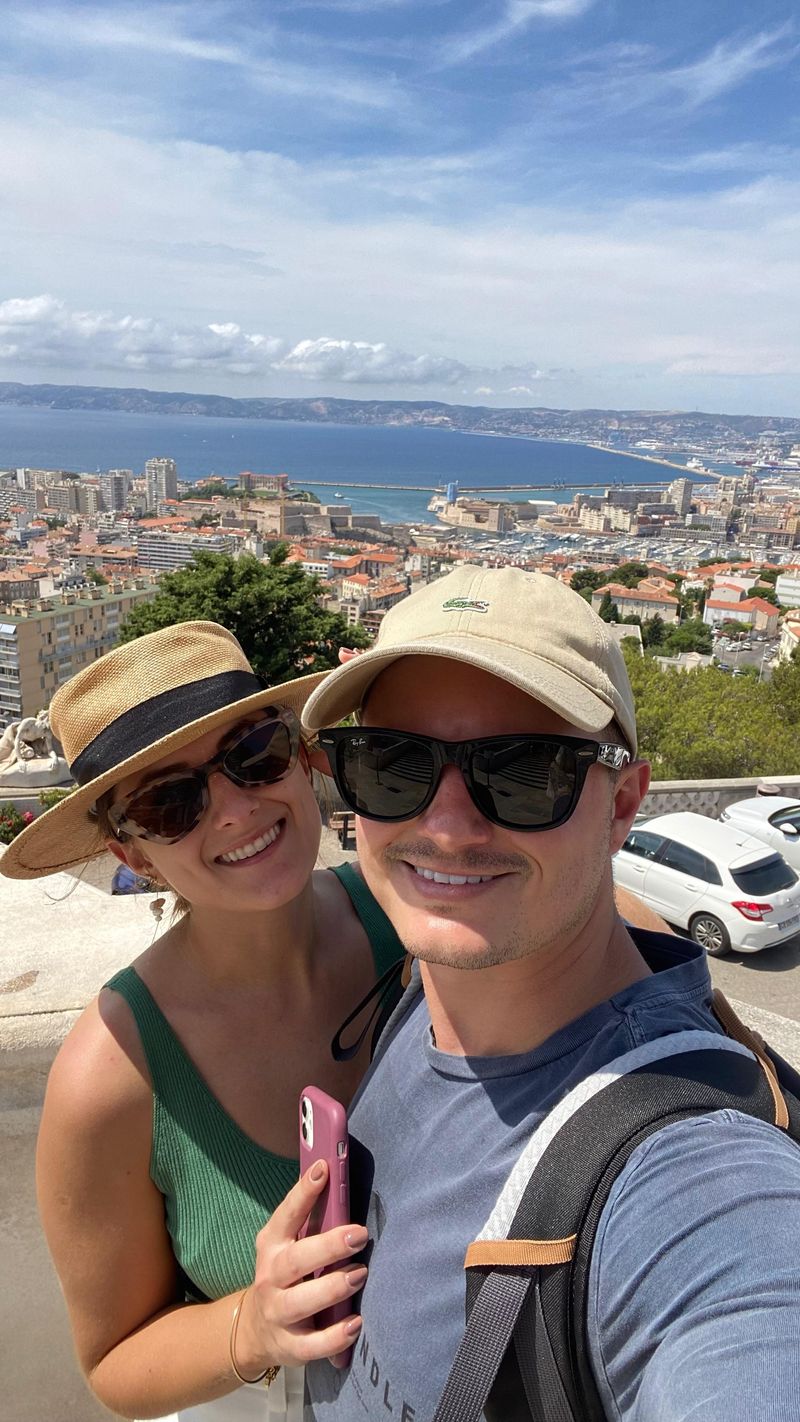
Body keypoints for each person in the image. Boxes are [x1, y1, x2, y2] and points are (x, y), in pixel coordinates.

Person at [301, 566, 800, 1421]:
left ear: (623, 805)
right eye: (393, 764)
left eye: (527, 773)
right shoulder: (424, 982)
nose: (446, 828)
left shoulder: (693, 1181)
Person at [1, 621, 407, 1422]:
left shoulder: (415, 916)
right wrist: (252, 1327)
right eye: (169, 802)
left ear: (302, 755)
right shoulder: (111, 1076)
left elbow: (598, 925)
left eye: (254, 753)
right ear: (134, 856)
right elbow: (113, 1361)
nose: (233, 809)